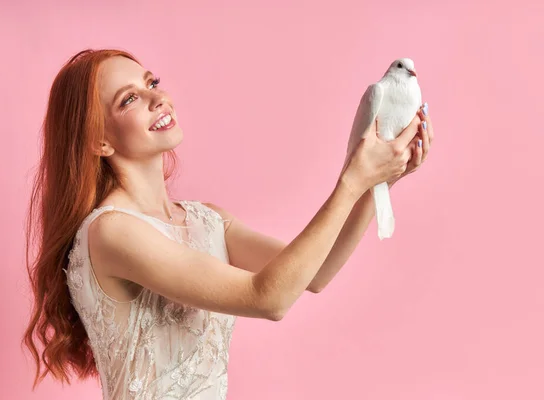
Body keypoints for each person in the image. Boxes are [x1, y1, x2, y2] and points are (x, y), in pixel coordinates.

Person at [22, 48, 434, 400]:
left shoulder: (207, 219)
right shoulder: (111, 232)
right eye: (129, 99)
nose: (157, 98)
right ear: (100, 141)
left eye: (152, 83)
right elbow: (268, 298)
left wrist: (376, 183)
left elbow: (315, 273)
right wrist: (352, 181)